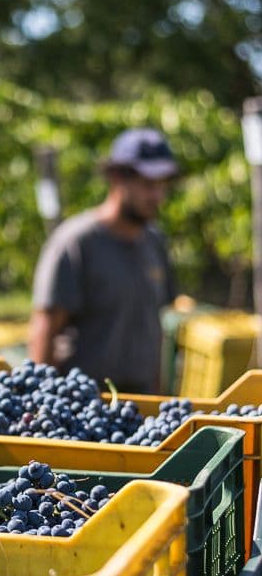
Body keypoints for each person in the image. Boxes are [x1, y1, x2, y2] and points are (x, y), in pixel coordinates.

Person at [29, 127, 180, 394]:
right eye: (148, 185)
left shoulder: (154, 242)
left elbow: (156, 328)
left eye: (162, 186)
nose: (157, 196)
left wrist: (159, 400)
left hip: (139, 403)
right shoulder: (77, 243)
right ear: (116, 178)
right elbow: (45, 330)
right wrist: (41, 405)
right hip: (85, 405)